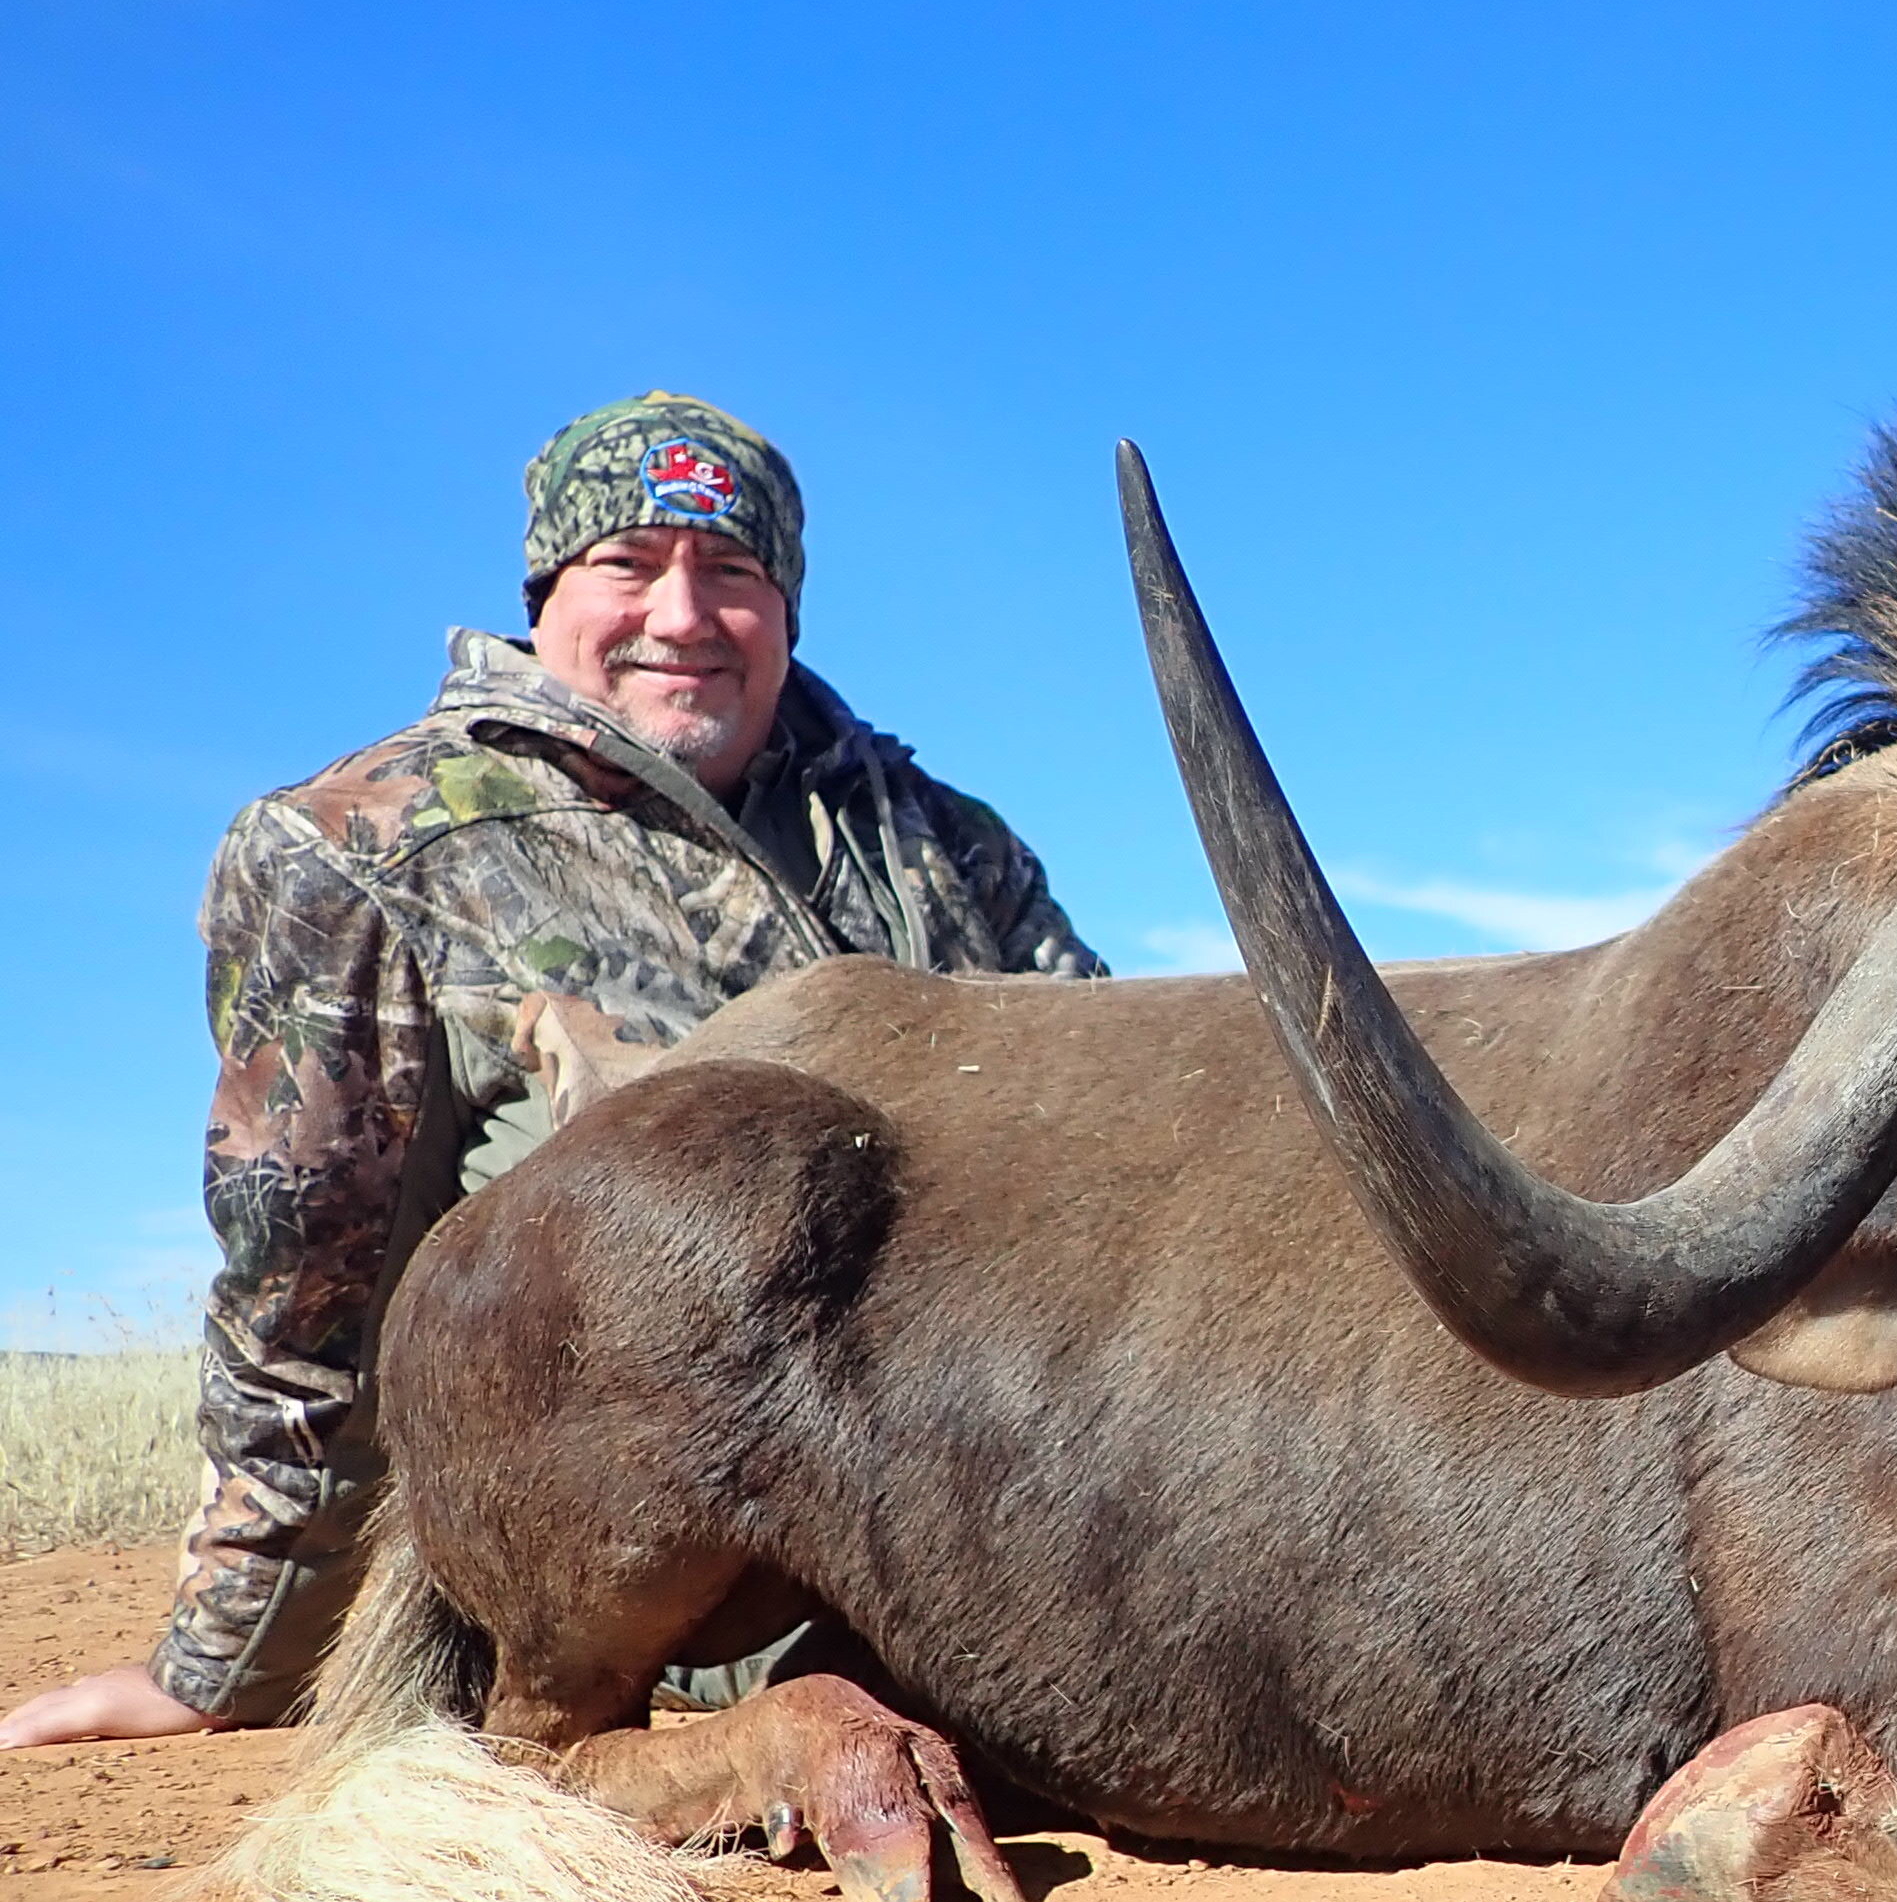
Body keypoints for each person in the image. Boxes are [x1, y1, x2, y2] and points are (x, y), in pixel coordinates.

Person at [4, 394, 1104, 1748]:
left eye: (734, 573)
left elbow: (1112, 1142)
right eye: (629, 566)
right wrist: (231, 1664)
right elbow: (309, 1300)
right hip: (652, 1563)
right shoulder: (360, 845)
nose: (686, 614)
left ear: (788, 609)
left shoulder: (940, 840)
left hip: (1016, 1507)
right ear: (546, 595)